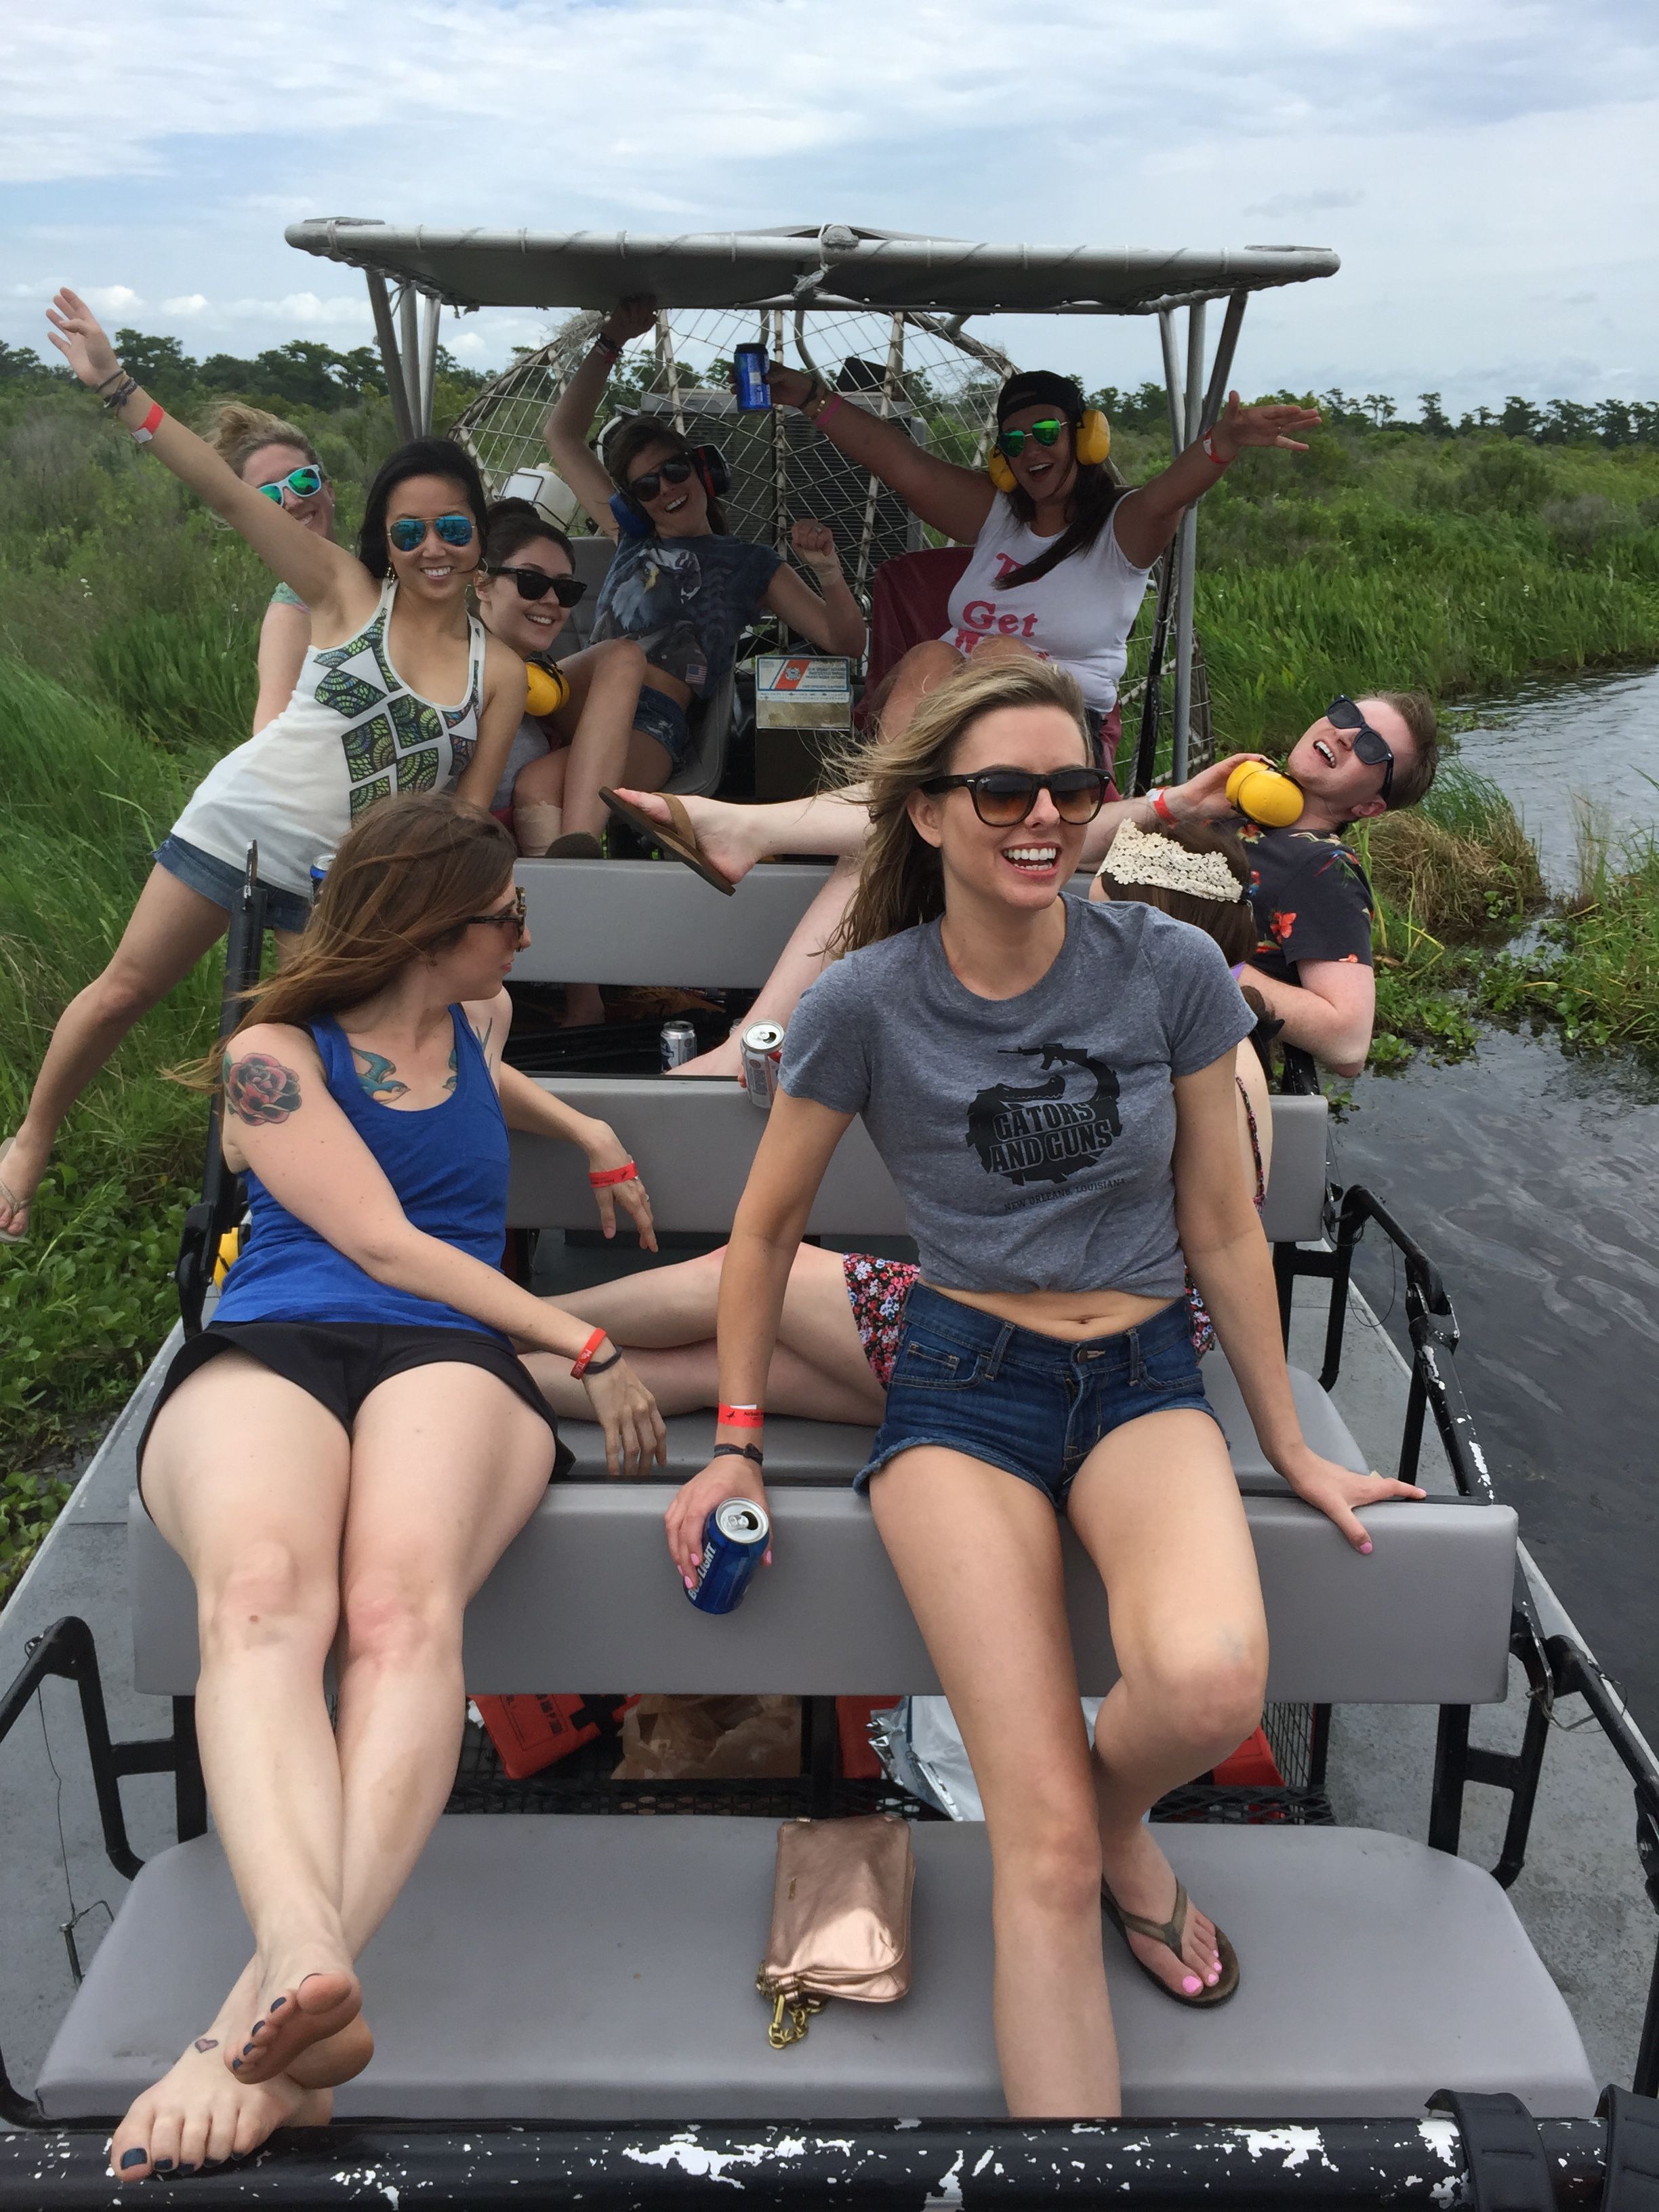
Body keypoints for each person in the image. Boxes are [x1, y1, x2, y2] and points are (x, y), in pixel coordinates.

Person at [660, 656, 1423, 2120]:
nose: (1044, 818)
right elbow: (761, 1234)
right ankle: (1079, 2067)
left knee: (1206, 1681)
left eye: (1071, 790)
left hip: (1142, 1374)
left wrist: (1291, 1442)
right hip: (962, 1387)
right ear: (930, 814)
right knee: (1044, 1862)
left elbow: (1219, 1223)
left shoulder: (1168, 968)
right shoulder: (867, 1002)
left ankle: (1107, 1798)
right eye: (1002, 790)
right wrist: (738, 1443)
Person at [107, 794, 665, 2184]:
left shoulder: (477, 1024)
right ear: (431, 926)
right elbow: (379, 1238)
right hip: (284, 1332)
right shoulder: (271, 1060)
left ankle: (255, 2018)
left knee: (402, 1615)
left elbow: (485, 1091)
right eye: (506, 920)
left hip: (450, 1356)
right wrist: (583, 1338)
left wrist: (585, 1123)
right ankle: (305, 1961)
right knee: (257, 1598)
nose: (526, 941)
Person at [0, 289, 527, 1246]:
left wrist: (459, 925)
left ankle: (310, 1222)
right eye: (409, 533)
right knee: (126, 987)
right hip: (238, 828)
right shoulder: (342, 591)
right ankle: (31, 1141)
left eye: (453, 528)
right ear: (387, 543)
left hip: (342, 892)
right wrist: (117, 386)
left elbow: (473, 818)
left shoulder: (504, 674)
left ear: (480, 533)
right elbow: (229, 492)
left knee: (310, 1062)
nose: (433, 549)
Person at [524, 813, 1275, 1418]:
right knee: (697, 1372)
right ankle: (483, 1362)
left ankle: (506, 1321)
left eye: (1099, 907)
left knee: (735, 1280)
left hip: (1114, 1343)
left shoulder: (1196, 1034)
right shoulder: (1217, 1033)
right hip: (1087, 1333)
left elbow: (1200, 1224)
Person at [614, 689, 1437, 1080]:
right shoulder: (1235, 814)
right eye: (1344, 712)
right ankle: (754, 1030)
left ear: (1372, 800)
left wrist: (1199, 962)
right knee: (912, 835)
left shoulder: (1322, 870)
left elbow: (1348, 1040)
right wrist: (1178, 804)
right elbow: (1073, 843)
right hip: (1057, 968)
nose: (1344, 733)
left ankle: (748, 844)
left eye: (1372, 747)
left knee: (930, 829)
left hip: (1130, 1024)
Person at [763, 358, 1320, 754]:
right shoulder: (998, 514)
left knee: (1000, 649)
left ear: (1085, 438)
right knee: (932, 655)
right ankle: (883, 812)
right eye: (1013, 441)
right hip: (953, 712)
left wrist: (1222, 442)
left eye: (1047, 432)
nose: (1031, 449)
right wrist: (812, 397)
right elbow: (900, 462)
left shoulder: (1121, 526)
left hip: (1061, 724)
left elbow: (1172, 491)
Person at [535, 294, 866, 844]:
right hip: (579, 698)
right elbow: (562, 437)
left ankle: (570, 891)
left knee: (545, 788)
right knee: (522, 731)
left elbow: (845, 641)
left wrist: (828, 570)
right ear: (634, 501)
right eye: (646, 486)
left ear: (702, 470)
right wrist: (611, 342)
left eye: (674, 470)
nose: (665, 489)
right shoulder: (629, 535)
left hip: (653, 721)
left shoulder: (750, 565)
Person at [470, 495, 646, 859]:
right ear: (482, 584)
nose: (551, 599)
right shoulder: (451, 673)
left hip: (538, 868)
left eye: (566, 590)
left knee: (624, 655)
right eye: (531, 582)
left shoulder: (538, 685)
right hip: (484, 864)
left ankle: (576, 851)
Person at [201, 403, 339, 733]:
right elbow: (271, 739)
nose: (292, 500)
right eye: (268, 496)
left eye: (303, 481)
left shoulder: (377, 569)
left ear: (329, 489)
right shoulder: (291, 618)